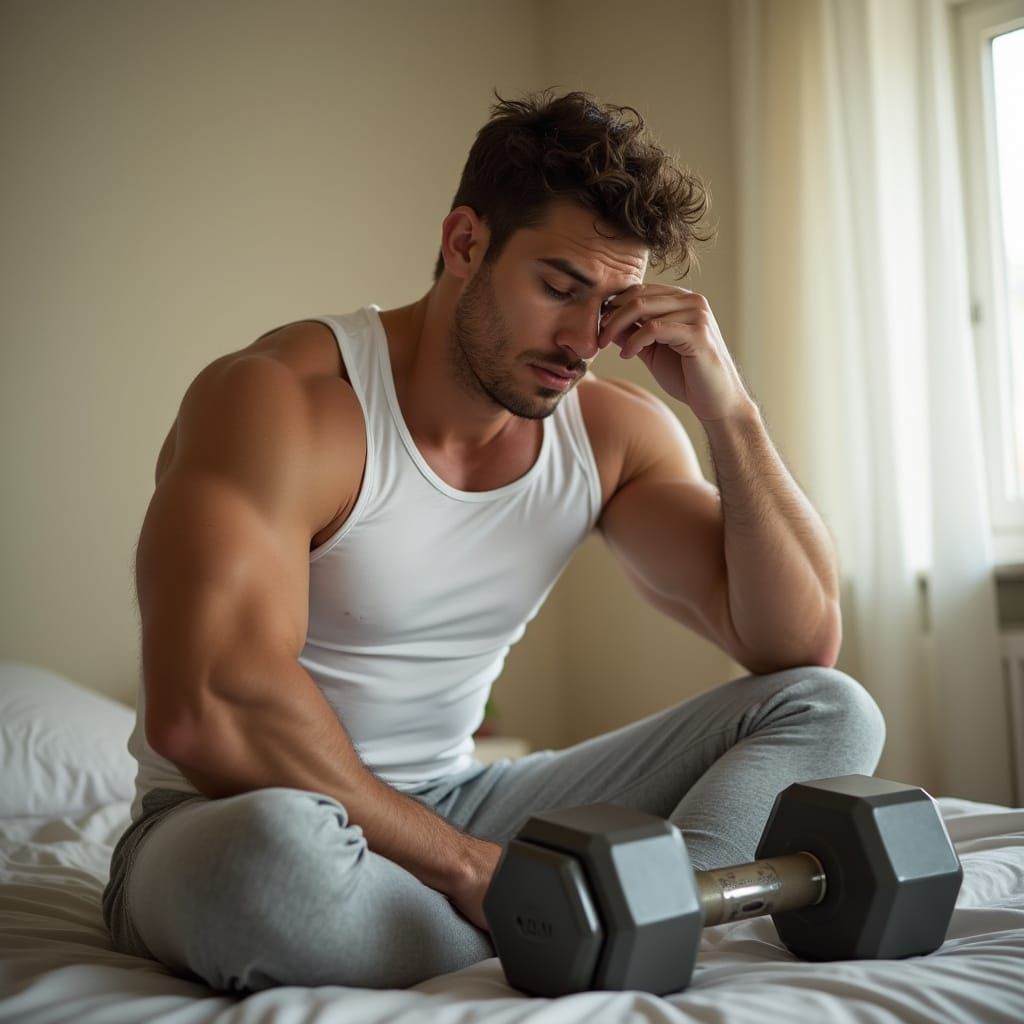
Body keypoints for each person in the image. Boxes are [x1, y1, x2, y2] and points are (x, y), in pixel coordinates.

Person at [102, 91, 885, 993]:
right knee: (270, 870)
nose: (583, 340)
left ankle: (654, 909)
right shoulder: (285, 400)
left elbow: (794, 643)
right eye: (559, 288)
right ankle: (567, 922)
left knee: (830, 705)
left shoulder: (612, 432)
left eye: (612, 304)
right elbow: (205, 709)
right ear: (465, 242)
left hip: (465, 800)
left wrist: (730, 413)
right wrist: (472, 869)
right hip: (236, 813)